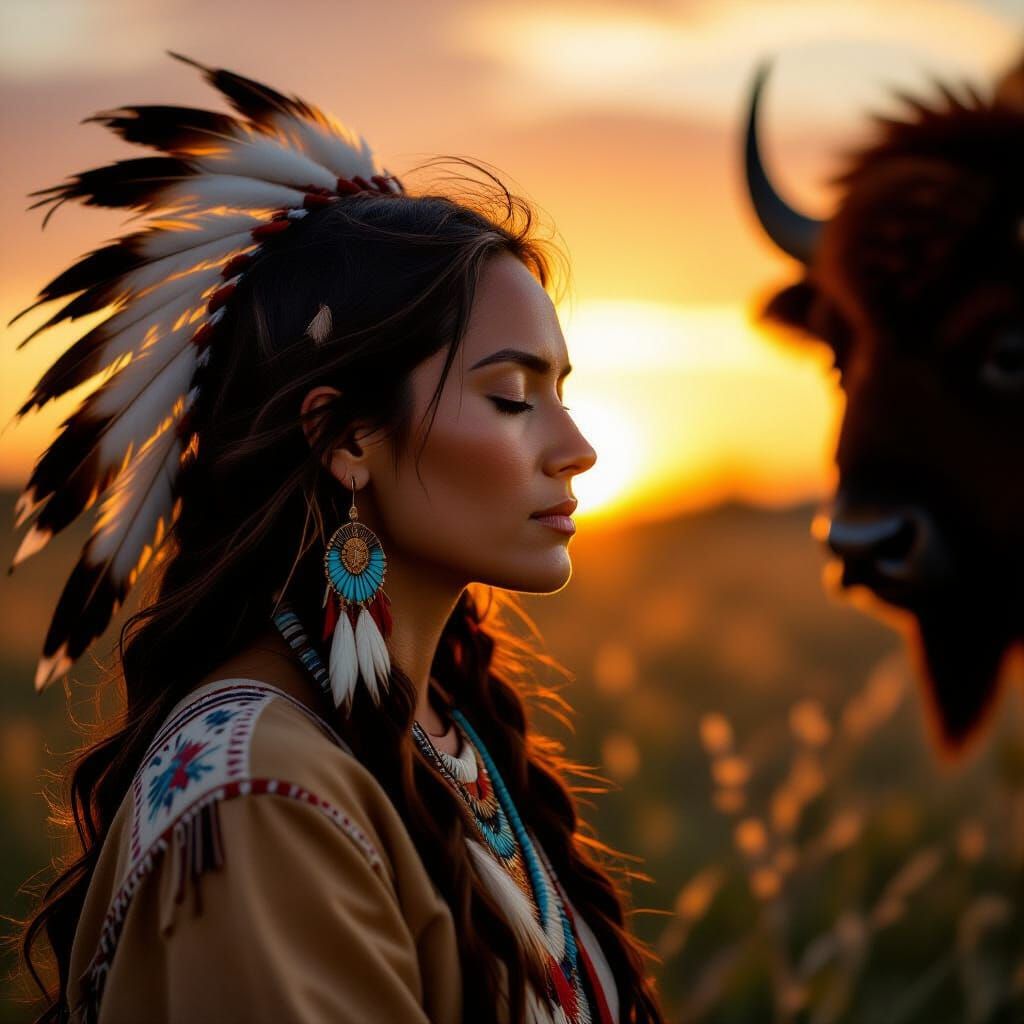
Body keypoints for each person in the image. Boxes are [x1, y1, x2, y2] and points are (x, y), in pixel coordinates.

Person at [13, 53, 665, 1024]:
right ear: (345, 439)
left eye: (561, 392)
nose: (576, 450)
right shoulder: (256, 797)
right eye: (511, 397)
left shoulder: (435, 736)